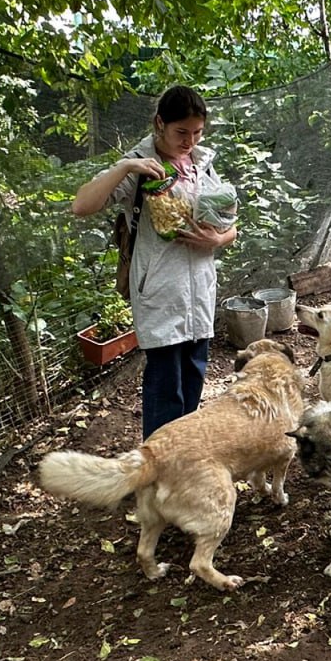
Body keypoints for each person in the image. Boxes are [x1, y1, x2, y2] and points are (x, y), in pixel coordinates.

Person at [72, 86, 237, 439]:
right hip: (161, 291)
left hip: (199, 292)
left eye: (197, 132)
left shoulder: (202, 164)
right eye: (181, 132)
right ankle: (157, 472)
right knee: (166, 392)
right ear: (159, 123)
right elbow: (81, 205)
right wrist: (127, 166)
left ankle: (181, 464)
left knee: (192, 384)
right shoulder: (140, 165)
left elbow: (229, 223)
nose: (189, 140)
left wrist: (218, 239)